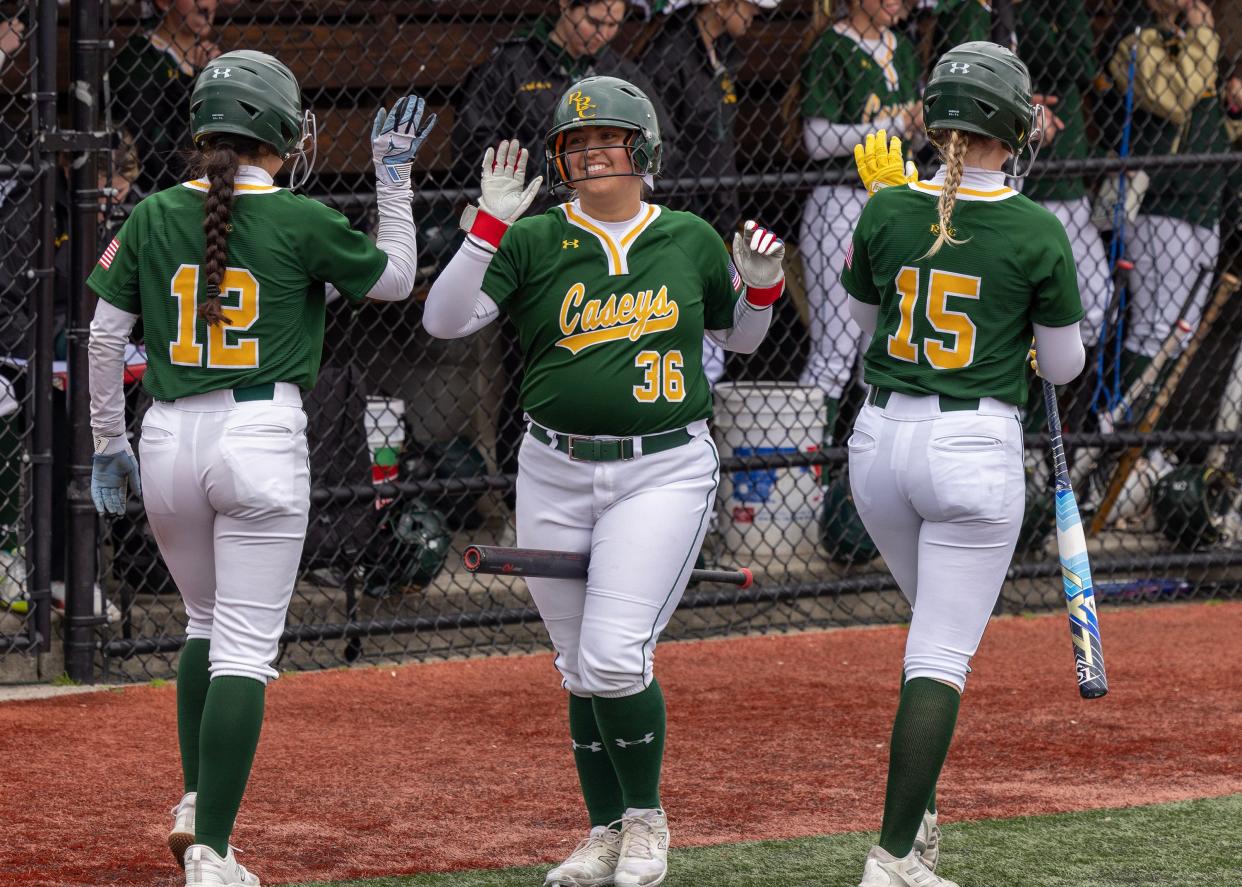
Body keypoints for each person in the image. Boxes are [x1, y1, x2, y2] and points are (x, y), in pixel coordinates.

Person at [424, 75, 784, 887]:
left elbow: (748, 338)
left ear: (644, 150)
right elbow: (442, 320)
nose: (588, 153)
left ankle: (648, 820)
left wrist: (760, 284)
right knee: (577, 663)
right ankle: (603, 828)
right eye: (575, 142)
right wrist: (487, 227)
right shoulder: (534, 238)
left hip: (661, 467)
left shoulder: (687, 235)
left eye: (606, 139)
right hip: (551, 466)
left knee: (616, 656)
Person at [86, 49, 432, 885]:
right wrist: (393, 180)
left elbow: (101, 336)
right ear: (278, 131)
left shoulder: (153, 212)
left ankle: (196, 802)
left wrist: (107, 443)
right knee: (243, 646)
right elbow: (396, 279)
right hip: (259, 436)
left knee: (204, 626)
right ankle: (213, 847)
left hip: (166, 436)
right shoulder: (300, 218)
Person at [843, 43, 1085, 886]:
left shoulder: (884, 208)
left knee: (927, 644)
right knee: (940, 655)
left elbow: (864, 308)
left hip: (877, 448)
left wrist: (901, 222)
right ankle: (892, 856)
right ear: (1014, 128)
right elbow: (1064, 368)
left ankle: (915, 839)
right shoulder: (1036, 226)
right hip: (971, 451)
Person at [451, 0, 675, 524]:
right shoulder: (513, 63)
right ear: (565, 8)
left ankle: (626, 495)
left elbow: (664, 149)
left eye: (614, 25)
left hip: (613, 240)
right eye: (594, 20)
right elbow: (473, 144)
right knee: (529, 362)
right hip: (540, 241)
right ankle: (517, 496)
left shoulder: (623, 73)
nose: (602, 34)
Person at [797, 0, 923, 445]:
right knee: (834, 353)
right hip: (841, 203)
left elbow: (912, 134)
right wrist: (897, 121)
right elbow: (817, 138)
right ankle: (807, 477)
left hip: (895, 203)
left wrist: (921, 125)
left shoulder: (901, 48)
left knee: (882, 351)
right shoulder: (832, 47)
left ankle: (871, 472)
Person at [640, 0, 782, 388]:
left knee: (717, 338)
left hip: (714, 208)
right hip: (678, 213)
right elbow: (663, 149)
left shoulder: (722, 53)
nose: (755, 15)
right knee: (689, 338)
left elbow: (718, 145)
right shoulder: (668, 55)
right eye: (750, 6)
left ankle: (703, 431)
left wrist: (724, 211)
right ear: (720, 4)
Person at [1102, 0, 1231, 397]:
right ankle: (1107, 432)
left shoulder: (1189, 39)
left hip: (1203, 203)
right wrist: (1205, 34)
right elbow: (1178, 97)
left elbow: (1209, 114)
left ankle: (1137, 444)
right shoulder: (1134, 33)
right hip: (1160, 201)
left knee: (1181, 332)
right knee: (1154, 326)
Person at [111, 0, 222, 196]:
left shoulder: (212, 60)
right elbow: (143, 139)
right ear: (163, 2)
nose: (205, 5)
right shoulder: (140, 58)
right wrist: (195, 81)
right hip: (153, 191)